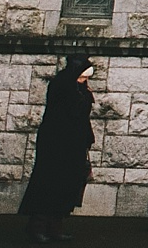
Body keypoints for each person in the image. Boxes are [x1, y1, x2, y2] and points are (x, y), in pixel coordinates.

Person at [20, 55, 97, 243]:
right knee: (49, 182)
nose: (84, 81)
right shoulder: (62, 87)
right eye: (82, 77)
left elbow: (81, 116)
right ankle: (38, 226)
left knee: (66, 184)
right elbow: (69, 112)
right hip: (56, 143)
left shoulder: (78, 89)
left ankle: (55, 226)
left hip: (73, 144)